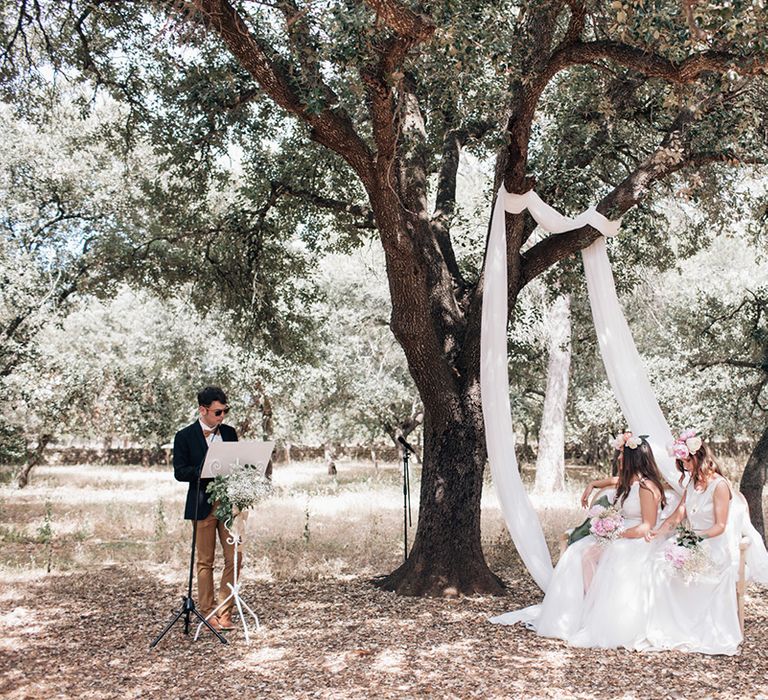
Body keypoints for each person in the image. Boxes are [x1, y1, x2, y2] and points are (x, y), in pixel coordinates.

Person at [491, 433, 665, 650]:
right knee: (576, 550)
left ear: (633, 458)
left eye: (622, 456)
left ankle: (595, 611)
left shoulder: (647, 488)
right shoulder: (630, 482)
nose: (618, 460)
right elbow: (613, 481)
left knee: (592, 554)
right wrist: (592, 484)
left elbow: (647, 525)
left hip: (637, 537)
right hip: (620, 532)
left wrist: (615, 533)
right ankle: (577, 610)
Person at [639, 431, 742, 655]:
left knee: (677, 570)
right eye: (681, 463)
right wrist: (657, 531)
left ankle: (692, 629)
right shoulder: (692, 485)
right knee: (657, 564)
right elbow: (678, 516)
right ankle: (669, 629)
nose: (684, 467)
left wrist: (694, 539)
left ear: (699, 457)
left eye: (686, 461)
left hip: (711, 543)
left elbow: (720, 526)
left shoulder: (720, 486)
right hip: (691, 541)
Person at [173, 386, 239, 633]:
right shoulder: (184, 436)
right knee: (205, 561)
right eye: (218, 412)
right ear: (203, 410)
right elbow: (180, 472)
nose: (222, 417)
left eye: (225, 411)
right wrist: (203, 469)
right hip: (201, 504)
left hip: (228, 505)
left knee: (235, 557)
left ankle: (226, 612)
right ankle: (207, 612)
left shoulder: (230, 433)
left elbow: (238, 465)